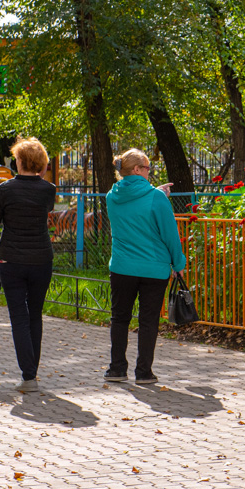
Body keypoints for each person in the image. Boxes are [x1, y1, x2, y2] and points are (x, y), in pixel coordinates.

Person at [105, 148, 184, 385]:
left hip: (121, 267)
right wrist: (178, 263)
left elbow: (134, 209)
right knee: (148, 321)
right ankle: (143, 373)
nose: (150, 173)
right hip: (153, 268)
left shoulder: (112, 196)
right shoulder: (156, 198)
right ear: (137, 169)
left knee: (119, 318)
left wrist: (157, 193)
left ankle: (117, 369)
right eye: (148, 168)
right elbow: (170, 234)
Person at [0, 137, 57, 394]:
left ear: (21, 161)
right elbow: (44, 205)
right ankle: (31, 374)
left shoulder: (5, 190)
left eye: (16, 157)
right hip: (41, 260)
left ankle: (29, 376)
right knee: (35, 314)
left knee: (19, 318)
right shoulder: (49, 190)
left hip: (11, 261)